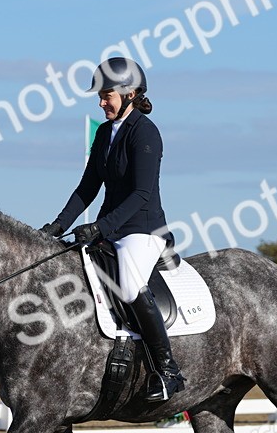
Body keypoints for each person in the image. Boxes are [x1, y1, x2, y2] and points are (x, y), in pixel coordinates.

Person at [40, 57, 185, 402]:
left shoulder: (145, 132)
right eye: (100, 96)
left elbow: (141, 193)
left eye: (107, 96)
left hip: (142, 228)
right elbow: (87, 187)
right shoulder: (105, 132)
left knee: (131, 285)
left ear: (130, 93)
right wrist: (58, 225)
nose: (101, 102)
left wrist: (101, 226)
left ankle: (167, 371)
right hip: (109, 228)